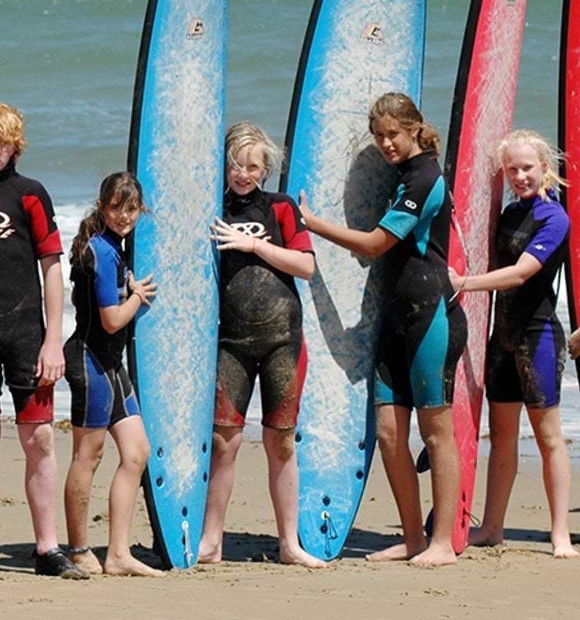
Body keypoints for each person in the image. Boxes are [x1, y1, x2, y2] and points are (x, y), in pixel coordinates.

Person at [300, 92, 466, 567]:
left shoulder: (426, 176)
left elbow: (375, 245)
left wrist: (313, 224)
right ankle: (413, 538)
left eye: (393, 133)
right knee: (391, 434)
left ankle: (441, 544)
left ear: (414, 128)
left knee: (436, 433)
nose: (386, 143)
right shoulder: (402, 178)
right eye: (378, 136)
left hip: (430, 316)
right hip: (396, 318)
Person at [0, 103, 80, 580]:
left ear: (15, 147)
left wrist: (53, 340)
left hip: (27, 333)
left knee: (40, 438)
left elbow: (51, 268)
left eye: (3, 142)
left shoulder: (30, 195)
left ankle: (48, 548)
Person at [198, 123, 326, 568]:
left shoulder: (281, 208)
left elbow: (306, 265)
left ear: (266, 168)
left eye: (252, 165)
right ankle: (211, 542)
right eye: (235, 163)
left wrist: (253, 245)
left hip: (281, 341)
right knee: (223, 442)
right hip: (231, 341)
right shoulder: (212, 209)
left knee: (282, 442)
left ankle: (290, 544)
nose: (243, 173)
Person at [450, 130, 574, 557]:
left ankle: (559, 533)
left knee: (548, 438)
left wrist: (464, 284)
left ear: (545, 169)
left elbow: (521, 273)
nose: (520, 176)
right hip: (502, 340)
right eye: (512, 169)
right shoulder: (508, 214)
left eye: (527, 168)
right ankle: (493, 527)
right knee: (501, 437)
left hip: (537, 337)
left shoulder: (553, 217)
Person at [62, 172, 163, 577]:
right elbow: (110, 320)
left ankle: (118, 554)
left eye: (132, 208)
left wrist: (129, 286)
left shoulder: (111, 249)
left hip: (111, 364)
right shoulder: (101, 251)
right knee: (89, 455)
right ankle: (78, 548)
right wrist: (138, 297)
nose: (124, 216)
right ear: (103, 207)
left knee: (136, 453)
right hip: (89, 361)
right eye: (117, 207)